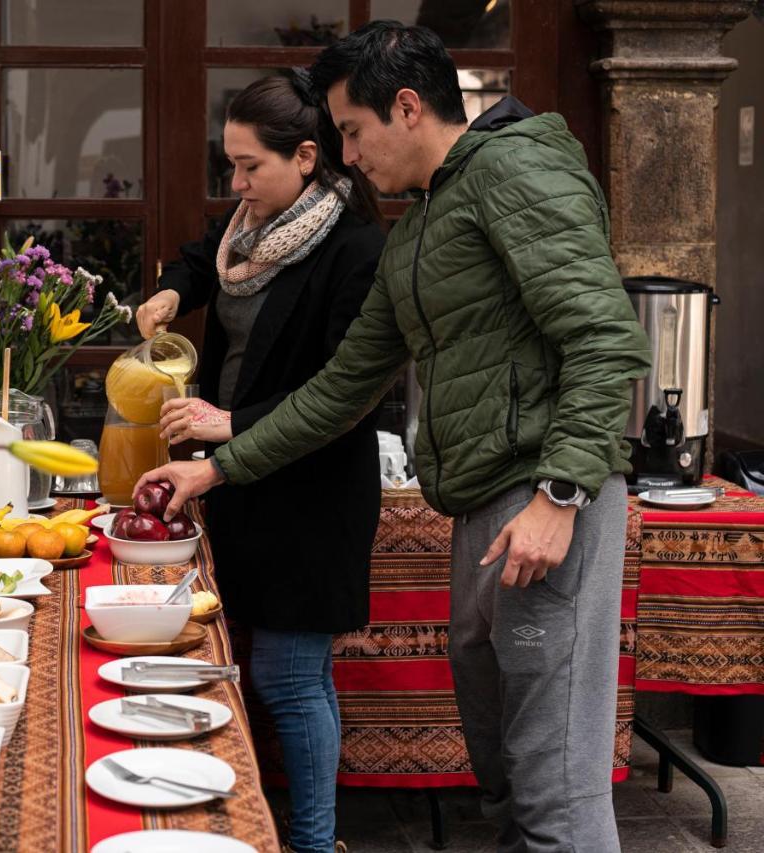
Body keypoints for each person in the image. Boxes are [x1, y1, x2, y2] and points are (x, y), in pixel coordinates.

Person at [137, 22, 651, 853]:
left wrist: (561, 495)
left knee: (554, 792)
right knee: (506, 778)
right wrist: (218, 469)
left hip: (547, 510)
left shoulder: (517, 169)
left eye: (349, 130)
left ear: (406, 107)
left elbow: (603, 338)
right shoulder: (420, 229)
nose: (342, 152)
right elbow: (342, 389)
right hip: (483, 512)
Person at [134, 72, 384, 853]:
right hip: (241, 475)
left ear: (308, 156)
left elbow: (344, 392)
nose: (235, 184)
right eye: (230, 166)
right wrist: (173, 293)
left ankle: (312, 843)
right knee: (275, 669)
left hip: (314, 491)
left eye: (250, 166)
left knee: (287, 677)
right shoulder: (251, 222)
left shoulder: (355, 250)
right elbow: (200, 259)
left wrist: (229, 419)